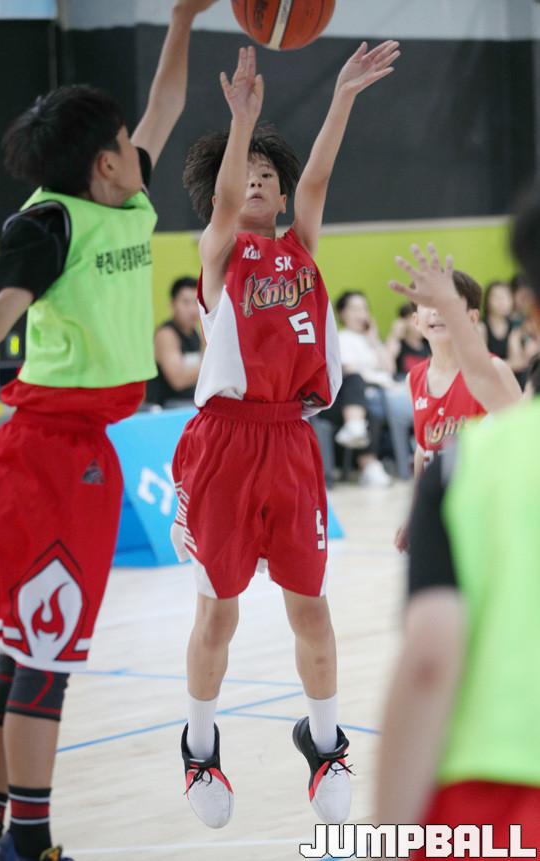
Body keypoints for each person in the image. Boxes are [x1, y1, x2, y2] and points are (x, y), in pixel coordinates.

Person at [0, 3, 218, 859]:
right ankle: (29, 843)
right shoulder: (47, 224)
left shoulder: (122, 196)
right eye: (126, 140)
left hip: (80, 450)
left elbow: (166, 103)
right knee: (44, 659)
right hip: (47, 456)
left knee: (21, 654)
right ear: (105, 161)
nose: (141, 144)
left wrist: (181, 21)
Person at [171, 41, 400, 829]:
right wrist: (241, 124)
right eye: (248, 173)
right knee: (219, 613)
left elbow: (320, 180)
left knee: (313, 607)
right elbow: (226, 197)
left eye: (270, 173)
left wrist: (342, 96)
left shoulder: (299, 247)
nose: (259, 181)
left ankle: (325, 741)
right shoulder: (217, 252)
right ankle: (200, 746)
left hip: (292, 440)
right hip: (225, 443)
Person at [374, 192, 540, 856]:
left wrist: (387, 835)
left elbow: (427, 660)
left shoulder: (482, 452)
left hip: (497, 777)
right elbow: (426, 448)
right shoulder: (422, 386)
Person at [392, 248, 521, 552]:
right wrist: (415, 513)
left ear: (472, 317)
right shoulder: (414, 378)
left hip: (487, 510)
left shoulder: (493, 371)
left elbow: (525, 442)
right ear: (415, 320)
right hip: (440, 509)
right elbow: (423, 450)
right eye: (427, 304)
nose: (435, 311)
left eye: (445, 302)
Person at [334, 290, 413, 483]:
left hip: (386, 392)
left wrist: (374, 339)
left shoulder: (369, 340)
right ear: (342, 313)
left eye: (364, 308)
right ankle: (369, 461)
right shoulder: (341, 338)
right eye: (354, 309)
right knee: (361, 390)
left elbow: (390, 368)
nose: (360, 313)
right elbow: (348, 369)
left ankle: (358, 433)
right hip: (362, 393)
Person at [149, 276, 202, 407]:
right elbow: (178, 380)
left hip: (188, 402)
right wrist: (212, 366)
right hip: (166, 407)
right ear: (173, 304)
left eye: (196, 302)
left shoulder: (195, 333)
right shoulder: (166, 334)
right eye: (186, 302)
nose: (192, 310)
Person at [386, 301, 430, 379]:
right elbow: (388, 368)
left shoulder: (429, 346)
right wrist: (394, 335)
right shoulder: (398, 345)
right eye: (414, 319)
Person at [479, 279, 514, 360]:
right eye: (497, 297)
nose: (502, 301)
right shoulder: (481, 327)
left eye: (505, 296)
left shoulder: (515, 327)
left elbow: (518, 361)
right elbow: (481, 360)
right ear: (487, 301)